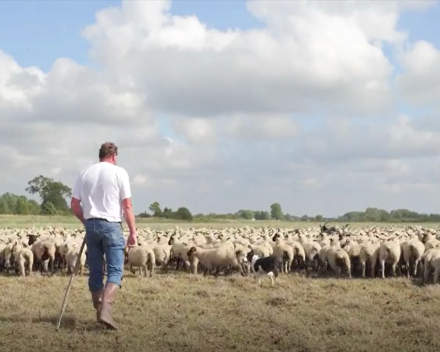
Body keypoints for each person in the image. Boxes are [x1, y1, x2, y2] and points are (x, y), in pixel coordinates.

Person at [70, 142, 137, 330]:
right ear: (114, 156)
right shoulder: (120, 173)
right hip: (112, 225)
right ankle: (106, 311)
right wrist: (133, 232)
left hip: (91, 224)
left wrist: (87, 222)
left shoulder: (85, 173)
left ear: (100, 155)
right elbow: (127, 206)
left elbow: (75, 205)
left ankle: (98, 308)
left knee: (96, 271)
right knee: (115, 271)